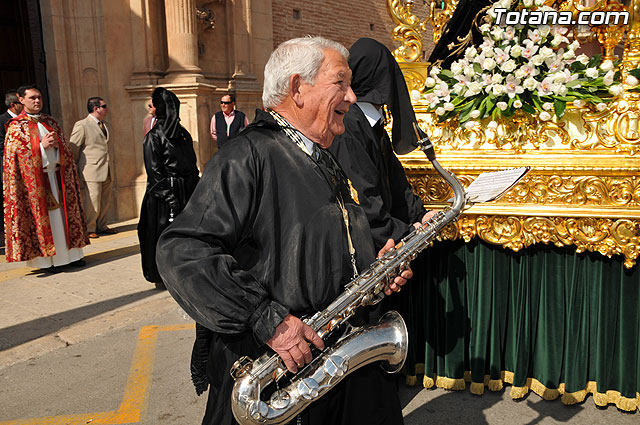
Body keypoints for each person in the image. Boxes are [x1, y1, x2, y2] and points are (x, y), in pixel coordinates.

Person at [157, 36, 411, 425]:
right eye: (340, 83)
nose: (352, 95)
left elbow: (321, 239)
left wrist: (374, 268)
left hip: (337, 364)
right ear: (297, 88)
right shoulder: (246, 155)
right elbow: (183, 251)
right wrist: (267, 318)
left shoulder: (319, 154)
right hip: (281, 374)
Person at [329, 38, 434, 252]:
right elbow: (362, 198)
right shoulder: (348, 126)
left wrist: (421, 215)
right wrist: (403, 233)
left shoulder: (372, 123)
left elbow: (396, 182)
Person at [4, 84, 89, 271]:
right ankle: (48, 261)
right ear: (21, 100)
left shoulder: (51, 122)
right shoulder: (16, 127)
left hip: (57, 177)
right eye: (32, 98)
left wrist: (58, 145)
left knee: (64, 217)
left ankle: (71, 256)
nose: (37, 101)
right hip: (36, 183)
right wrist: (40, 147)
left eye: (39, 97)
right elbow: (16, 158)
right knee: (46, 221)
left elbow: (66, 148)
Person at [137, 87, 199, 289]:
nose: (150, 107)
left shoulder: (176, 135)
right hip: (168, 194)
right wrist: (172, 196)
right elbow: (155, 172)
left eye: (152, 104)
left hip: (174, 193)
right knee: (163, 235)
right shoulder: (160, 136)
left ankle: (177, 273)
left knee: (173, 237)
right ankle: (166, 275)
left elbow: (189, 166)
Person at [69, 96, 116, 239]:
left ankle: (102, 225)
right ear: (96, 108)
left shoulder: (105, 124)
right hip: (91, 169)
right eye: (104, 106)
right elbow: (73, 147)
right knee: (93, 199)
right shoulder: (82, 125)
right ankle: (90, 227)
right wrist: (75, 167)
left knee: (105, 199)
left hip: (106, 168)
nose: (107, 109)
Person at [0, 89, 24, 248]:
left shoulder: (25, 119)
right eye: (20, 102)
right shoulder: (2, 120)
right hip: (9, 168)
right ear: (13, 105)